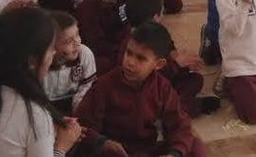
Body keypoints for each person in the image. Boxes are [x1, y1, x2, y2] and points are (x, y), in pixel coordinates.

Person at [0, 7, 82, 157]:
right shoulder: (33, 114)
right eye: (50, 49)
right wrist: (62, 146)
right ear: (32, 61)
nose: (53, 54)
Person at [75, 22, 207, 157]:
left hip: (145, 150)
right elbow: (82, 126)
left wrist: (174, 154)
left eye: (141, 58)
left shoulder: (162, 87)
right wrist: (103, 143)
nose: (130, 62)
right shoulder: (105, 85)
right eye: (129, 53)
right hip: (114, 151)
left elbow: (180, 125)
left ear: (159, 64)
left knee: (196, 146)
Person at [76, 0, 133, 74]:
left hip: (122, 46)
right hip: (99, 53)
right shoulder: (88, 7)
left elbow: (133, 21)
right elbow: (96, 44)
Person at [43, 11, 96, 114]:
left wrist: (78, 110)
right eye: (69, 41)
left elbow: (87, 86)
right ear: (51, 45)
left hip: (74, 103)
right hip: (47, 108)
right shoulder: (42, 64)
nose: (77, 42)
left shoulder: (84, 54)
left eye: (77, 35)